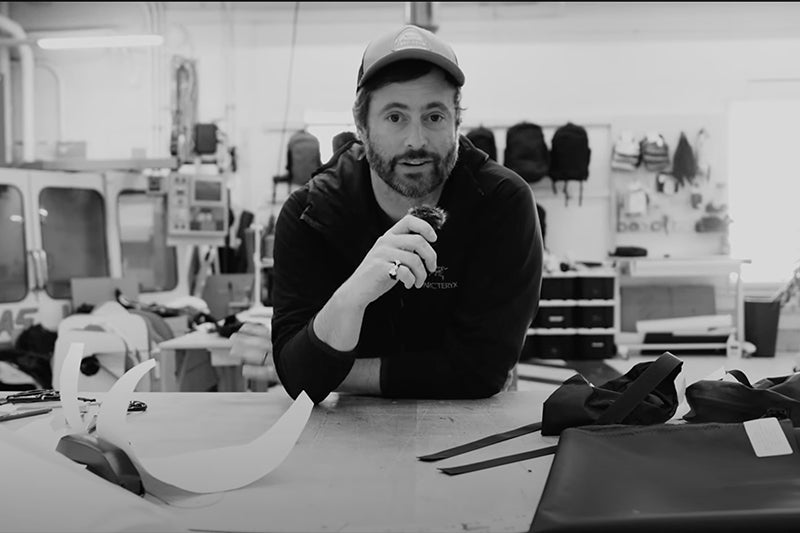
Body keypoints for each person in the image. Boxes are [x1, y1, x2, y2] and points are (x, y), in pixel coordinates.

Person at [231, 24, 543, 404]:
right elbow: (301, 376)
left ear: (457, 121)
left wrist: (328, 368)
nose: (416, 141)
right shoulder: (310, 214)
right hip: (345, 435)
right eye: (395, 117)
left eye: (434, 117)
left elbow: (480, 371)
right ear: (361, 125)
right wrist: (352, 296)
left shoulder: (501, 203)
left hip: (470, 429)